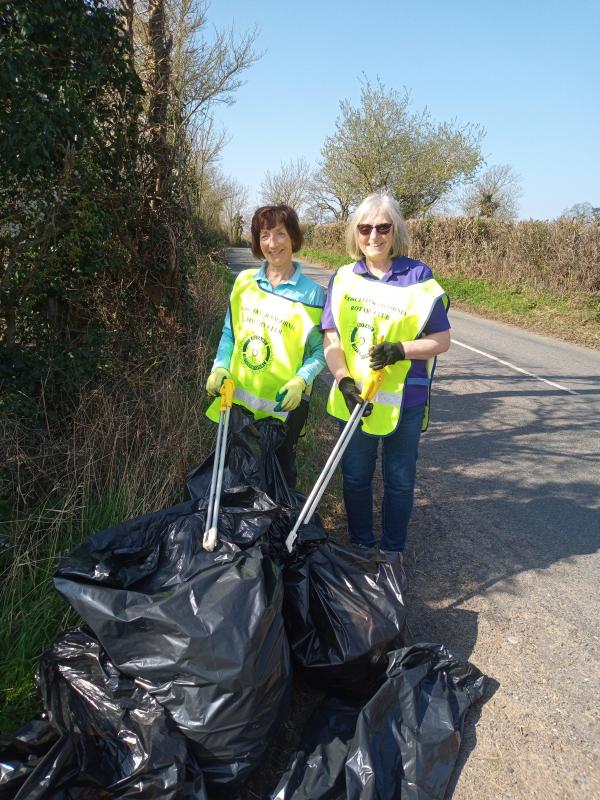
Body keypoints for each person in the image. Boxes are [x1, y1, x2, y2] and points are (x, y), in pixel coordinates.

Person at [321, 192, 451, 564]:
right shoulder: (343, 278)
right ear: (355, 233)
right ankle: (361, 548)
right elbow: (331, 338)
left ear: (396, 231)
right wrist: (344, 379)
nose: (374, 235)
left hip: (405, 402)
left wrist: (401, 350)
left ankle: (392, 553)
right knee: (356, 478)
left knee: (398, 482)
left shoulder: (418, 276)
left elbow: (441, 340)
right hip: (357, 400)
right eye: (365, 228)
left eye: (383, 227)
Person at [206, 204, 325, 487]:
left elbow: (320, 352)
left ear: (294, 237)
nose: (273, 244)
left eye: (280, 234)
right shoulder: (245, 282)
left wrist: (301, 380)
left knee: (279, 481)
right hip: (235, 403)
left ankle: (281, 532)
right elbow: (229, 333)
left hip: (285, 411)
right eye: (264, 235)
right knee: (231, 480)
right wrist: (220, 367)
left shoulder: (315, 295)